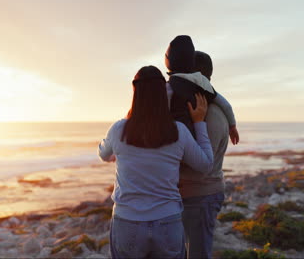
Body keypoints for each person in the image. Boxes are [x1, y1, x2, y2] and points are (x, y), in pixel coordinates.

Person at [98, 65, 214, 259]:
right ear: (163, 94)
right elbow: (206, 165)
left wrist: (120, 146)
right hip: (167, 221)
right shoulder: (178, 131)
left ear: (135, 93)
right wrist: (199, 123)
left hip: (128, 221)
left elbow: (103, 153)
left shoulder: (119, 129)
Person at [164, 35, 232, 259]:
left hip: (201, 195)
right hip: (190, 195)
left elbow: (201, 163)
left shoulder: (209, 115)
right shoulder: (195, 108)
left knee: (198, 254)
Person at [165, 35, 239, 145]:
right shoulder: (202, 82)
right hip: (194, 138)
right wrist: (232, 126)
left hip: (174, 137)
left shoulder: (169, 86)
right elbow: (226, 105)